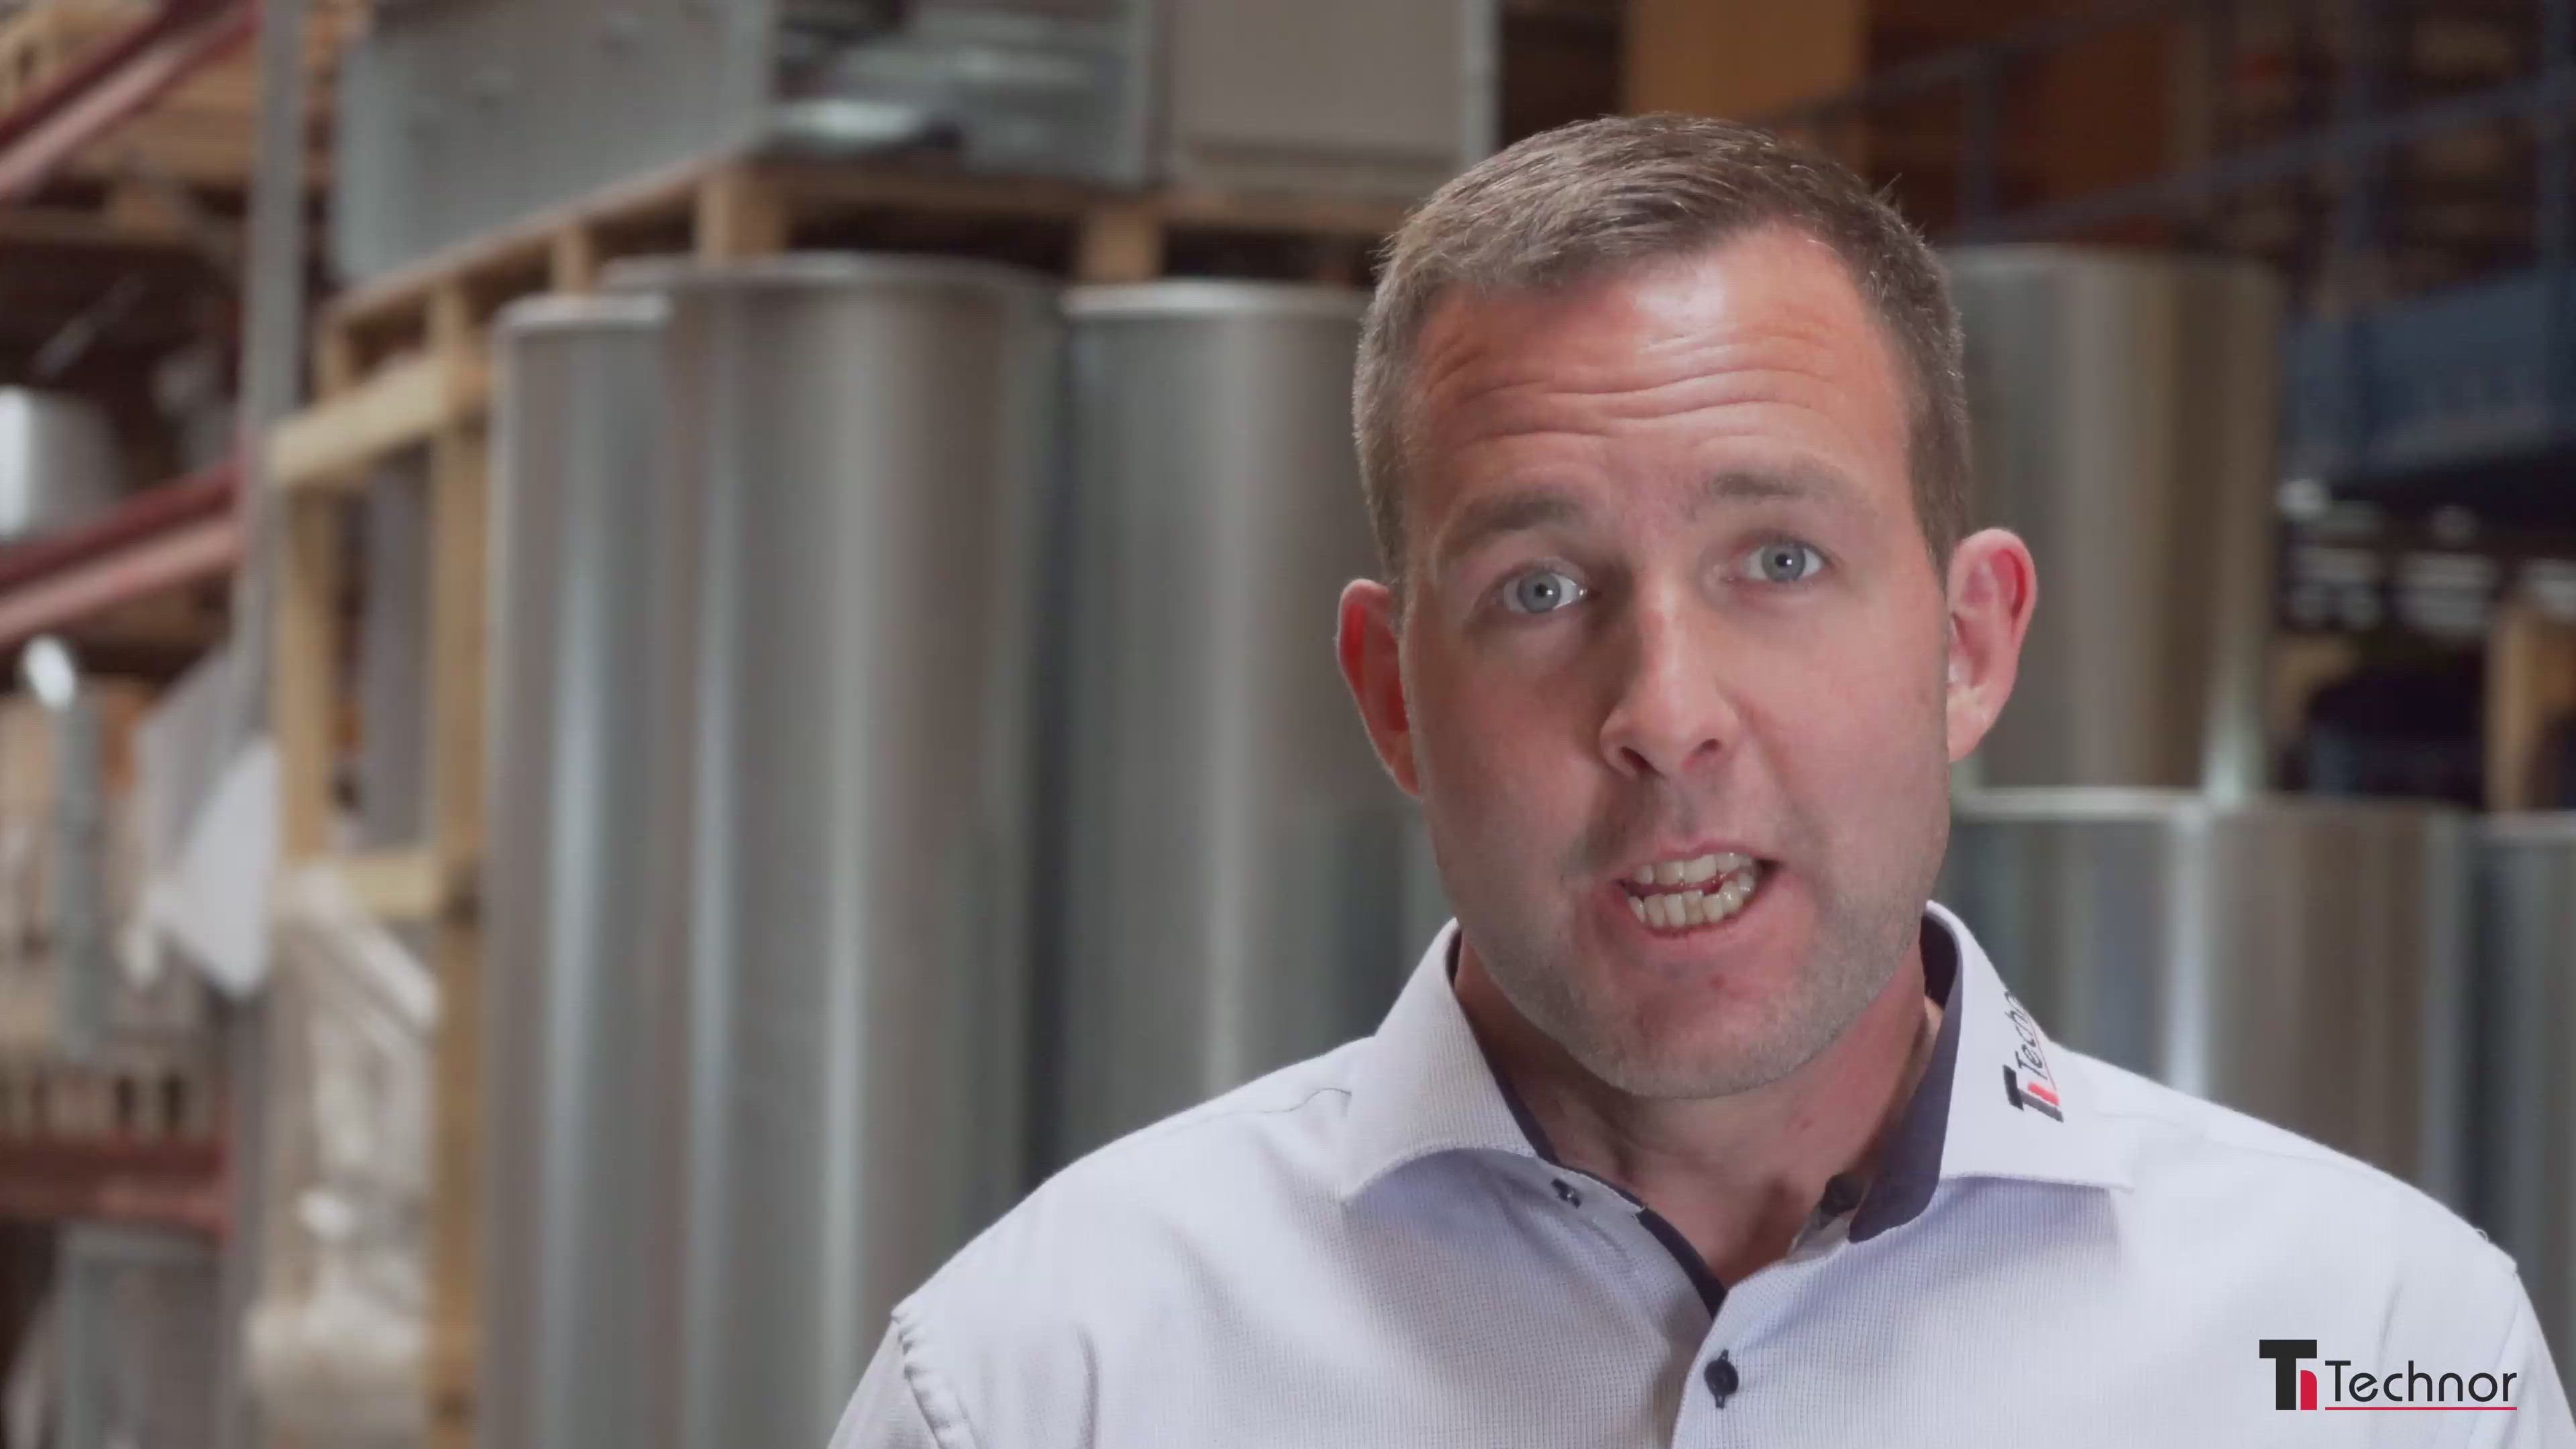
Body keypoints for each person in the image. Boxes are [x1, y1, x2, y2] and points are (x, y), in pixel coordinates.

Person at [829, 114, 2574, 1446]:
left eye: (1780, 561)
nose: (1665, 714)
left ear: (1970, 644)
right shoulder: (1044, 1385)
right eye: (1539, 590)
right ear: (1391, 696)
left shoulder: (2380, 1352)